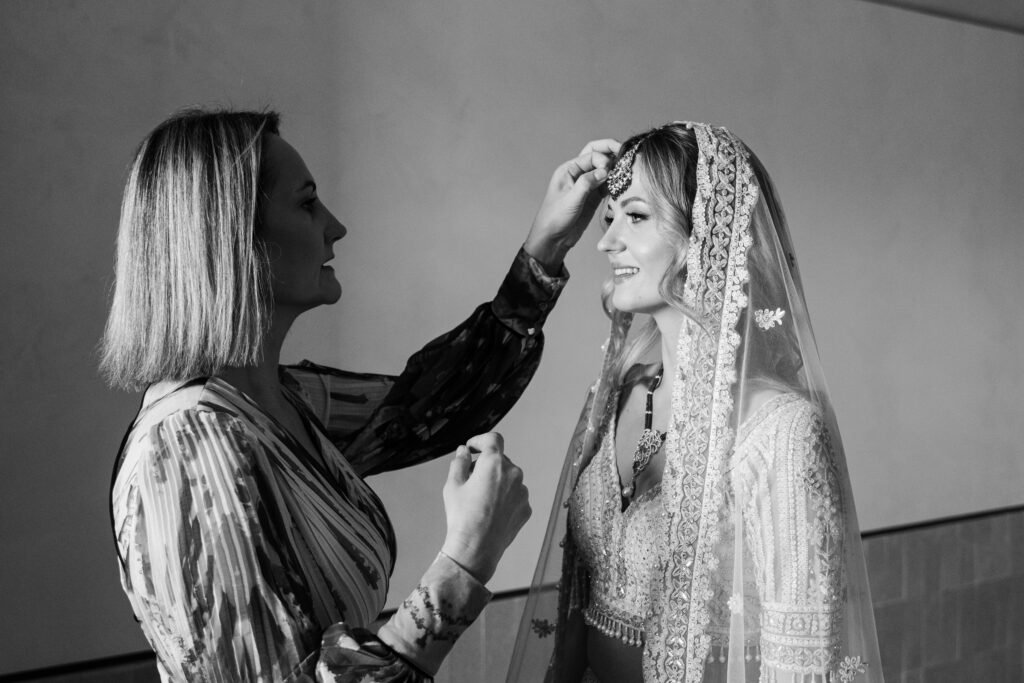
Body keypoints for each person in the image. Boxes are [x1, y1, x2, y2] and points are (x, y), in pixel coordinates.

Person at [102, 108, 619, 682]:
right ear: (230, 239)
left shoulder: (278, 400)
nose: (335, 226)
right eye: (307, 204)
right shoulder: (186, 450)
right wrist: (465, 560)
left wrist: (547, 244)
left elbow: (429, 409)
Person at [507, 122, 883, 683]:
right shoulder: (616, 393)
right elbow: (577, 614)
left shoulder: (779, 431)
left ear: (705, 233)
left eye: (636, 216)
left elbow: (802, 664)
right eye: (609, 219)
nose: (606, 242)